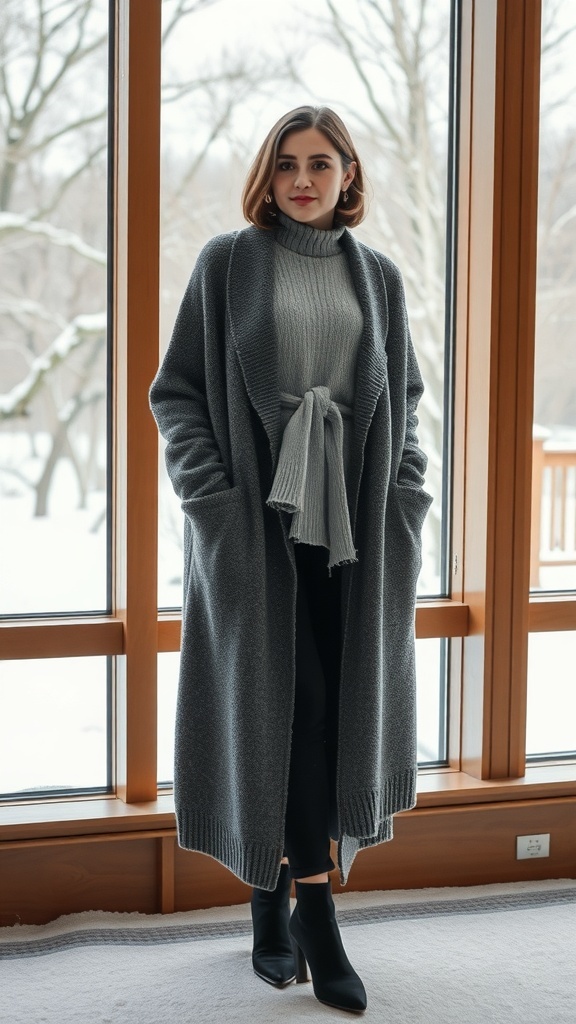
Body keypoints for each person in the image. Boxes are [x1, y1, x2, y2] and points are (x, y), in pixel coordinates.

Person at [149, 105, 432, 1014]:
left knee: (326, 719)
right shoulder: (228, 265)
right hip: (256, 536)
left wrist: (405, 496)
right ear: (266, 179)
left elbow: (409, 404)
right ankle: (317, 914)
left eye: (320, 163)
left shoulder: (377, 278)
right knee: (289, 708)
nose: (302, 180)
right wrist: (216, 508)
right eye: (285, 166)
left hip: (353, 536)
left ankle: (270, 905)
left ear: (349, 174)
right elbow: (177, 394)